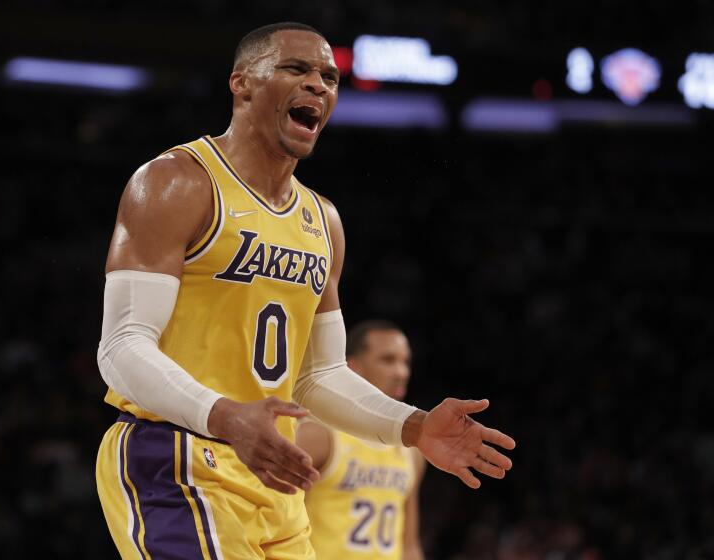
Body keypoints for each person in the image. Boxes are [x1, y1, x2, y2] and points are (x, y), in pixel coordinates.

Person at [94, 21, 516, 560]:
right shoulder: (177, 182)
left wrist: (410, 425)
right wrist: (226, 415)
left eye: (329, 77)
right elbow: (121, 346)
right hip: (178, 456)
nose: (318, 86)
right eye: (296, 69)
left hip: (274, 474)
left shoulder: (323, 221)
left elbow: (319, 376)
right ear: (242, 83)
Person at [297, 321, 426, 560]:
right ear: (353, 368)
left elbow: (408, 544)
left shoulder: (411, 449)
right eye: (388, 360)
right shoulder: (320, 434)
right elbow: (274, 520)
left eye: (405, 362)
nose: (401, 372)